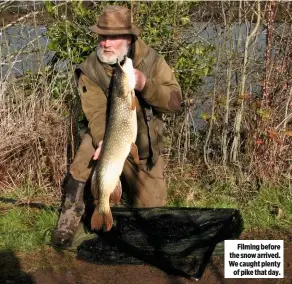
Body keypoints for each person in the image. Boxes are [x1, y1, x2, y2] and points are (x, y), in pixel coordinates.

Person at [51, 5, 182, 249]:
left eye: (113, 37)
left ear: (130, 38)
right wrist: (104, 140)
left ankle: (126, 194)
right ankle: (72, 217)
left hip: (142, 144)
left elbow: (175, 103)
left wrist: (144, 84)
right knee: (84, 158)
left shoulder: (153, 61)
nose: (106, 43)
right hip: (108, 135)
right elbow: (97, 112)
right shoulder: (89, 68)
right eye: (102, 36)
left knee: (151, 205)